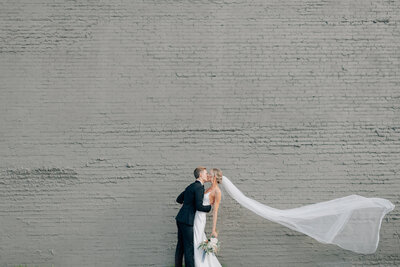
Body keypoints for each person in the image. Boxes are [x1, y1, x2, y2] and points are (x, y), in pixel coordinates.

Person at [175, 166, 212, 267]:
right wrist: (209, 207)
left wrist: (188, 204)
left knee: (180, 246)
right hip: (187, 221)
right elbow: (199, 206)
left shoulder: (191, 186)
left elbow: (178, 199)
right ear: (200, 175)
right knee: (189, 247)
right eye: (205, 173)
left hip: (180, 218)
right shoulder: (199, 187)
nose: (207, 175)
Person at [193, 168, 222, 267]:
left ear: (214, 177)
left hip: (200, 217)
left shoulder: (217, 191)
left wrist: (213, 229)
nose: (208, 176)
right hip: (195, 215)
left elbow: (215, 211)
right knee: (198, 239)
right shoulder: (207, 188)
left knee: (197, 239)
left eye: (209, 174)